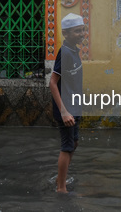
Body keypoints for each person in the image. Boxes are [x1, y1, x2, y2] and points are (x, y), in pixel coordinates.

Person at [49, 13, 86, 193]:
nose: (81, 34)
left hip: (74, 106)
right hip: (66, 109)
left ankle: (60, 177)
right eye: (76, 31)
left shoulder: (73, 50)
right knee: (67, 146)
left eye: (82, 30)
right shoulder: (65, 53)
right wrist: (64, 112)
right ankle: (61, 187)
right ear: (66, 33)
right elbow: (52, 83)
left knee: (75, 143)